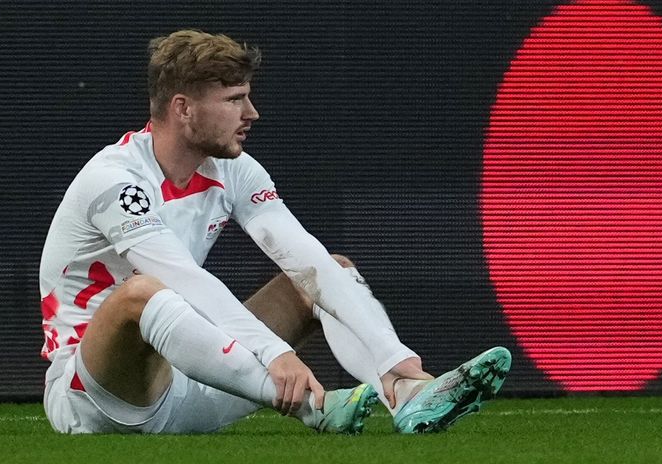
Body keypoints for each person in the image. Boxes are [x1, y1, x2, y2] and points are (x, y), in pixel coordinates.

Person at [39, 29, 511, 435]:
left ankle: (407, 395)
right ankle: (312, 407)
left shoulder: (235, 169)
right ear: (183, 108)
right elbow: (185, 279)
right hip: (94, 399)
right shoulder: (116, 180)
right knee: (142, 293)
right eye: (233, 100)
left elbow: (303, 256)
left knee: (326, 273)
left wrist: (394, 355)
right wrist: (274, 351)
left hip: (194, 381)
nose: (252, 113)